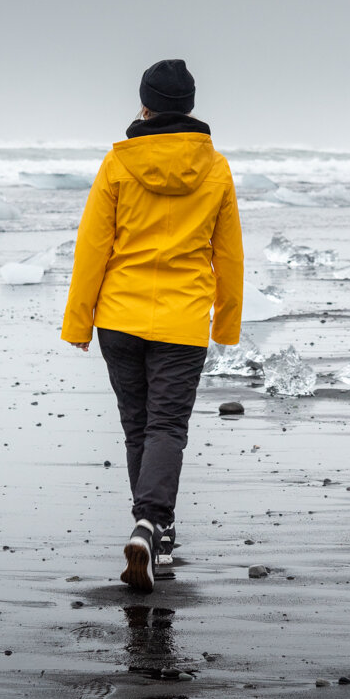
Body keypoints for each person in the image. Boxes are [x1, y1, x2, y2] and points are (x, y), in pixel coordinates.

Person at [61, 59, 243, 592]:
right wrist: (226, 324)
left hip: (119, 317)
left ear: (144, 105)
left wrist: (78, 321)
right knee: (166, 427)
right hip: (182, 321)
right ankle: (153, 526)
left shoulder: (118, 164)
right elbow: (228, 254)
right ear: (189, 107)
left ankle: (152, 526)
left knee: (138, 426)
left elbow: (92, 246)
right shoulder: (215, 168)